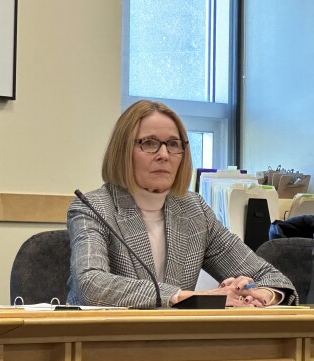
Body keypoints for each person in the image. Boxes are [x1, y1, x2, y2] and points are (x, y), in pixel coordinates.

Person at [67, 100, 297, 309]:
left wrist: (261, 294)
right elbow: (91, 284)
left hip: (176, 341)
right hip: (103, 342)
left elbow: (270, 276)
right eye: (149, 143)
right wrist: (185, 297)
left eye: (174, 144)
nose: (164, 154)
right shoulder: (93, 207)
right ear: (122, 150)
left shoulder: (193, 210)